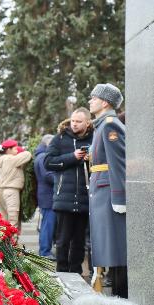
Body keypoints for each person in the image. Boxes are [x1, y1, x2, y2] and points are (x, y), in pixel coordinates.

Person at [88, 83, 127, 298]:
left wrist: (120, 198)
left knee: (117, 250)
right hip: (101, 191)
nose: (90, 101)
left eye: (93, 98)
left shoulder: (110, 125)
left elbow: (118, 163)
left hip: (109, 193)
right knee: (109, 248)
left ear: (104, 102)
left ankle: (122, 296)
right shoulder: (101, 125)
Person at [44, 107, 93, 275]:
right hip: (64, 197)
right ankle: (62, 272)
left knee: (80, 241)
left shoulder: (95, 138)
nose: (74, 124)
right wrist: (72, 157)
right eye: (73, 120)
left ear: (87, 122)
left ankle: (76, 272)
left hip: (86, 197)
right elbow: (47, 162)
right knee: (63, 240)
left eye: (79, 121)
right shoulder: (60, 138)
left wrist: (89, 159)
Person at [0, 139, 32, 229]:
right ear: (8, 150)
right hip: (11, 193)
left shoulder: (2, 160)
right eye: (15, 148)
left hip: (1, 192)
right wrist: (21, 150)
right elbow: (28, 154)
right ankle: (12, 243)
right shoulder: (10, 159)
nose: (16, 150)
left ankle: (5, 242)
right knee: (13, 222)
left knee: (5, 221)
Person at [33, 134, 56, 259]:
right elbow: (48, 175)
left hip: (46, 195)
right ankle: (45, 252)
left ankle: (45, 250)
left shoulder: (41, 156)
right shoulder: (43, 157)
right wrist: (61, 180)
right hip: (48, 196)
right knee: (48, 225)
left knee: (48, 224)